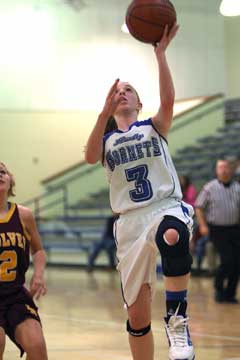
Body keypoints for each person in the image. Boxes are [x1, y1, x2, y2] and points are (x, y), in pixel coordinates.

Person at [85, 24, 195, 360]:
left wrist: (160, 55)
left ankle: (178, 324)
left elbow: (169, 99)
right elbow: (89, 157)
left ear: (138, 101)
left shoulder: (153, 126)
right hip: (129, 224)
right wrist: (103, 112)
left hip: (165, 207)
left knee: (173, 234)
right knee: (136, 317)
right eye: (118, 90)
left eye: (129, 89)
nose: (123, 93)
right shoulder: (106, 142)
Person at [0, 162, 48, 359]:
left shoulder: (24, 215)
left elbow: (38, 250)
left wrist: (38, 274)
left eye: (2, 171)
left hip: (16, 295)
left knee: (37, 346)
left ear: (10, 179)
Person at [195, 159, 240, 303]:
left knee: (237, 263)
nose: (224, 170)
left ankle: (230, 294)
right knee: (227, 261)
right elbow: (199, 207)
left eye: (226, 167)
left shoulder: (237, 187)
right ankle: (219, 289)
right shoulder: (209, 187)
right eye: (221, 167)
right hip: (217, 229)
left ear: (231, 170)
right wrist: (202, 225)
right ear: (216, 170)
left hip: (234, 228)